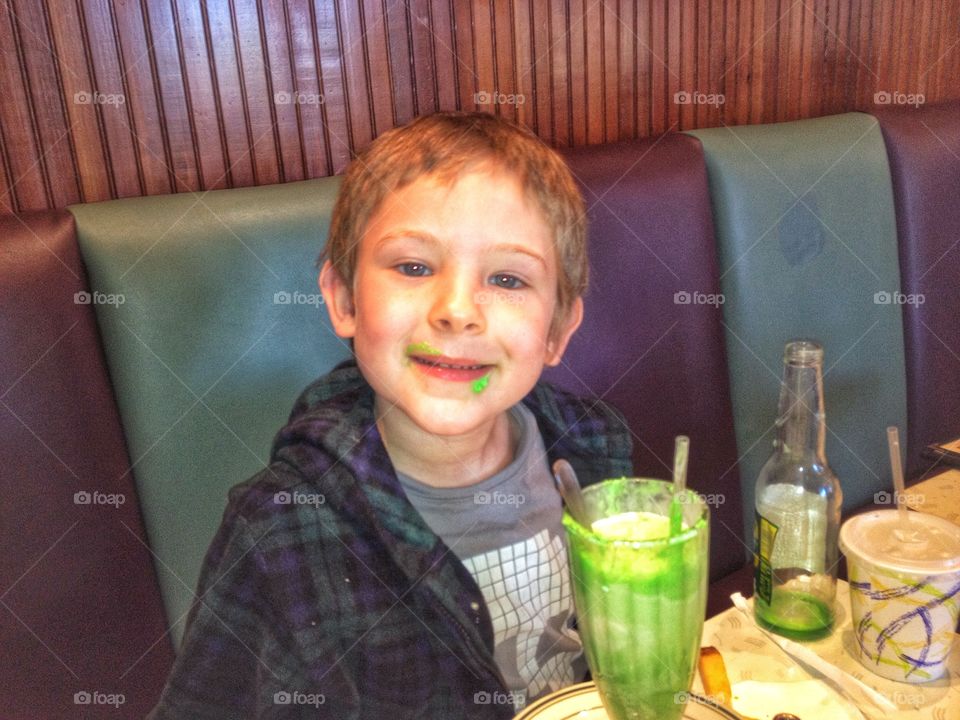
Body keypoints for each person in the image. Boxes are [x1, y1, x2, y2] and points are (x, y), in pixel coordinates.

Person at [147, 111, 632, 719]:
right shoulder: (281, 535)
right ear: (346, 299)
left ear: (558, 330)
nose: (458, 311)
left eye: (507, 278)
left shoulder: (595, 449)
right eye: (414, 267)